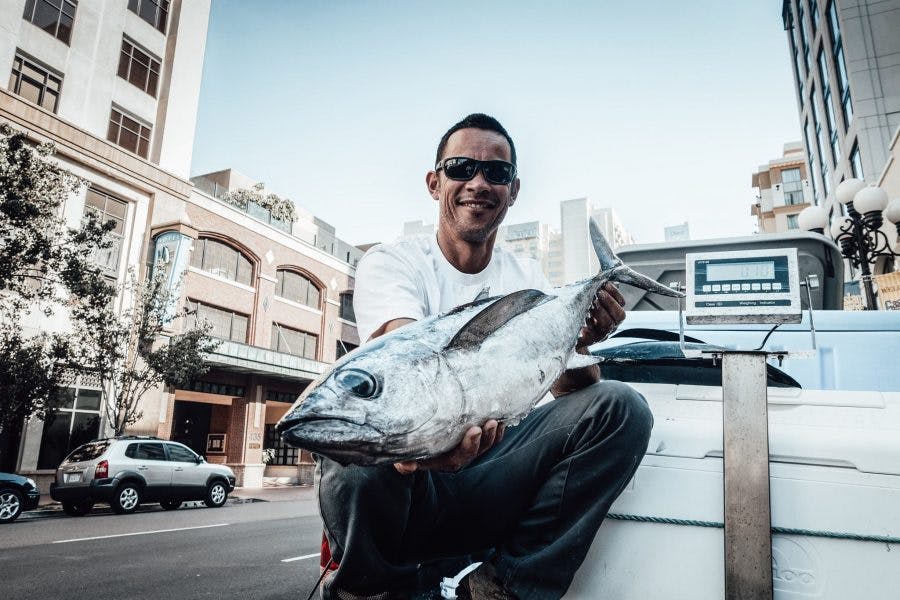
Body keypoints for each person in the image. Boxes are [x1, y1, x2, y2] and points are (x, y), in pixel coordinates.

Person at [316, 113, 653, 600]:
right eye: (460, 168)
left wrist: (577, 340)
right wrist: (426, 447)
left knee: (620, 408)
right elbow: (405, 359)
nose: (478, 183)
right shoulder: (392, 262)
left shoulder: (531, 282)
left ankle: (502, 587)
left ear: (513, 190)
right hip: (409, 480)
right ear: (435, 183)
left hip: (489, 475)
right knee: (353, 431)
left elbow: (573, 391)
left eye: (495, 173)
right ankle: (372, 591)